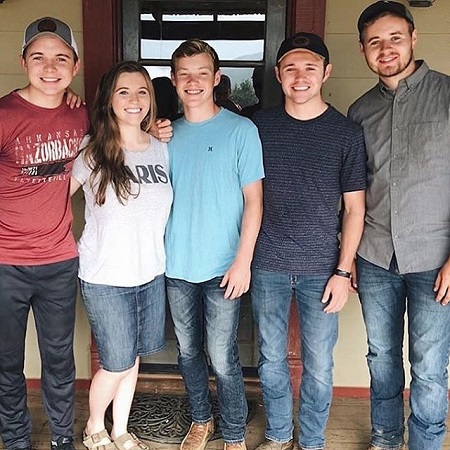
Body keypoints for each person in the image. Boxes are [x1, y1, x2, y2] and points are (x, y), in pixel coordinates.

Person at [251, 32, 367, 450]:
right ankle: (280, 434)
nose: (300, 77)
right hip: (267, 264)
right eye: (291, 68)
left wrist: (342, 269)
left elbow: (355, 209)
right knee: (270, 359)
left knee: (318, 363)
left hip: (323, 267)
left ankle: (313, 440)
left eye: (310, 68)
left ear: (326, 72)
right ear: (279, 74)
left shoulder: (346, 133)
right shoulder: (257, 127)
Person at [348, 2, 450, 450]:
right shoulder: (359, 111)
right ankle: (386, 439)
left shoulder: (447, 95)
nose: (385, 49)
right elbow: (353, 192)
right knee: (382, 358)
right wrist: (346, 257)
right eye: (375, 42)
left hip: (435, 257)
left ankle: (426, 445)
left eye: (394, 38)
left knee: (430, 365)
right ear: (363, 50)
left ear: (413, 38)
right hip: (374, 256)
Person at [165, 39, 264, 450]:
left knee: (222, 356)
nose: (193, 82)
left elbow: (254, 201)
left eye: (201, 73)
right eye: (184, 74)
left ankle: (236, 433)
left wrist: (243, 262)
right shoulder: (163, 134)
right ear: (173, 81)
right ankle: (201, 420)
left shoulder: (241, 130)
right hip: (176, 265)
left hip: (225, 265)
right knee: (188, 352)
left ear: (216, 78)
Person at [70, 61, 173, 450]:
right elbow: (52, 197)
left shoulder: (164, 148)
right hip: (105, 274)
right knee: (115, 362)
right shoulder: (92, 149)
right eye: (124, 92)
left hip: (150, 272)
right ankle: (94, 424)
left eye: (142, 91)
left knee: (132, 361)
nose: (134, 100)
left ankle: (121, 429)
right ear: (109, 100)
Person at [0, 16, 89, 450]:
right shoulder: (3, 115)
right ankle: (15, 440)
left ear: (75, 66)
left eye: (60, 58)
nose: (49, 67)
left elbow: (126, 132)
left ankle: (60, 440)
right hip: (5, 263)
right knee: (6, 361)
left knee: (59, 361)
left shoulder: (82, 116)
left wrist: (157, 127)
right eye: (39, 57)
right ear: (23, 62)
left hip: (57, 260)